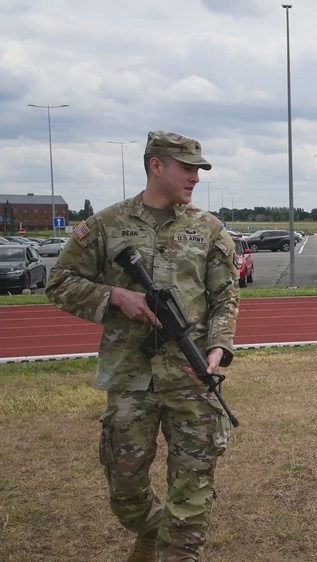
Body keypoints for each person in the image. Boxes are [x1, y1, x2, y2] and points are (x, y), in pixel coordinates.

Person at [46, 130, 240, 561]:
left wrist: (218, 347)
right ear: (156, 166)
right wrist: (115, 296)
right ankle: (151, 529)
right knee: (126, 490)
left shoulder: (208, 228)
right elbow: (58, 283)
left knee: (193, 490)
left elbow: (225, 296)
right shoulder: (106, 225)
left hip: (192, 377)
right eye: (187, 168)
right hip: (130, 377)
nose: (195, 178)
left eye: (198, 170)